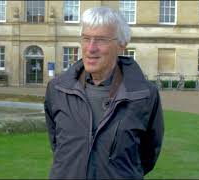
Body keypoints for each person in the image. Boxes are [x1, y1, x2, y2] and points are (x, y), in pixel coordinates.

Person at [44, 7, 164, 179]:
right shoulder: (57, 90)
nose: (91, 48)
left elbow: (148, 155)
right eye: (86, 38)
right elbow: (57, 145)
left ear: (122, 45)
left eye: (101, 40)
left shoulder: (145, 95)